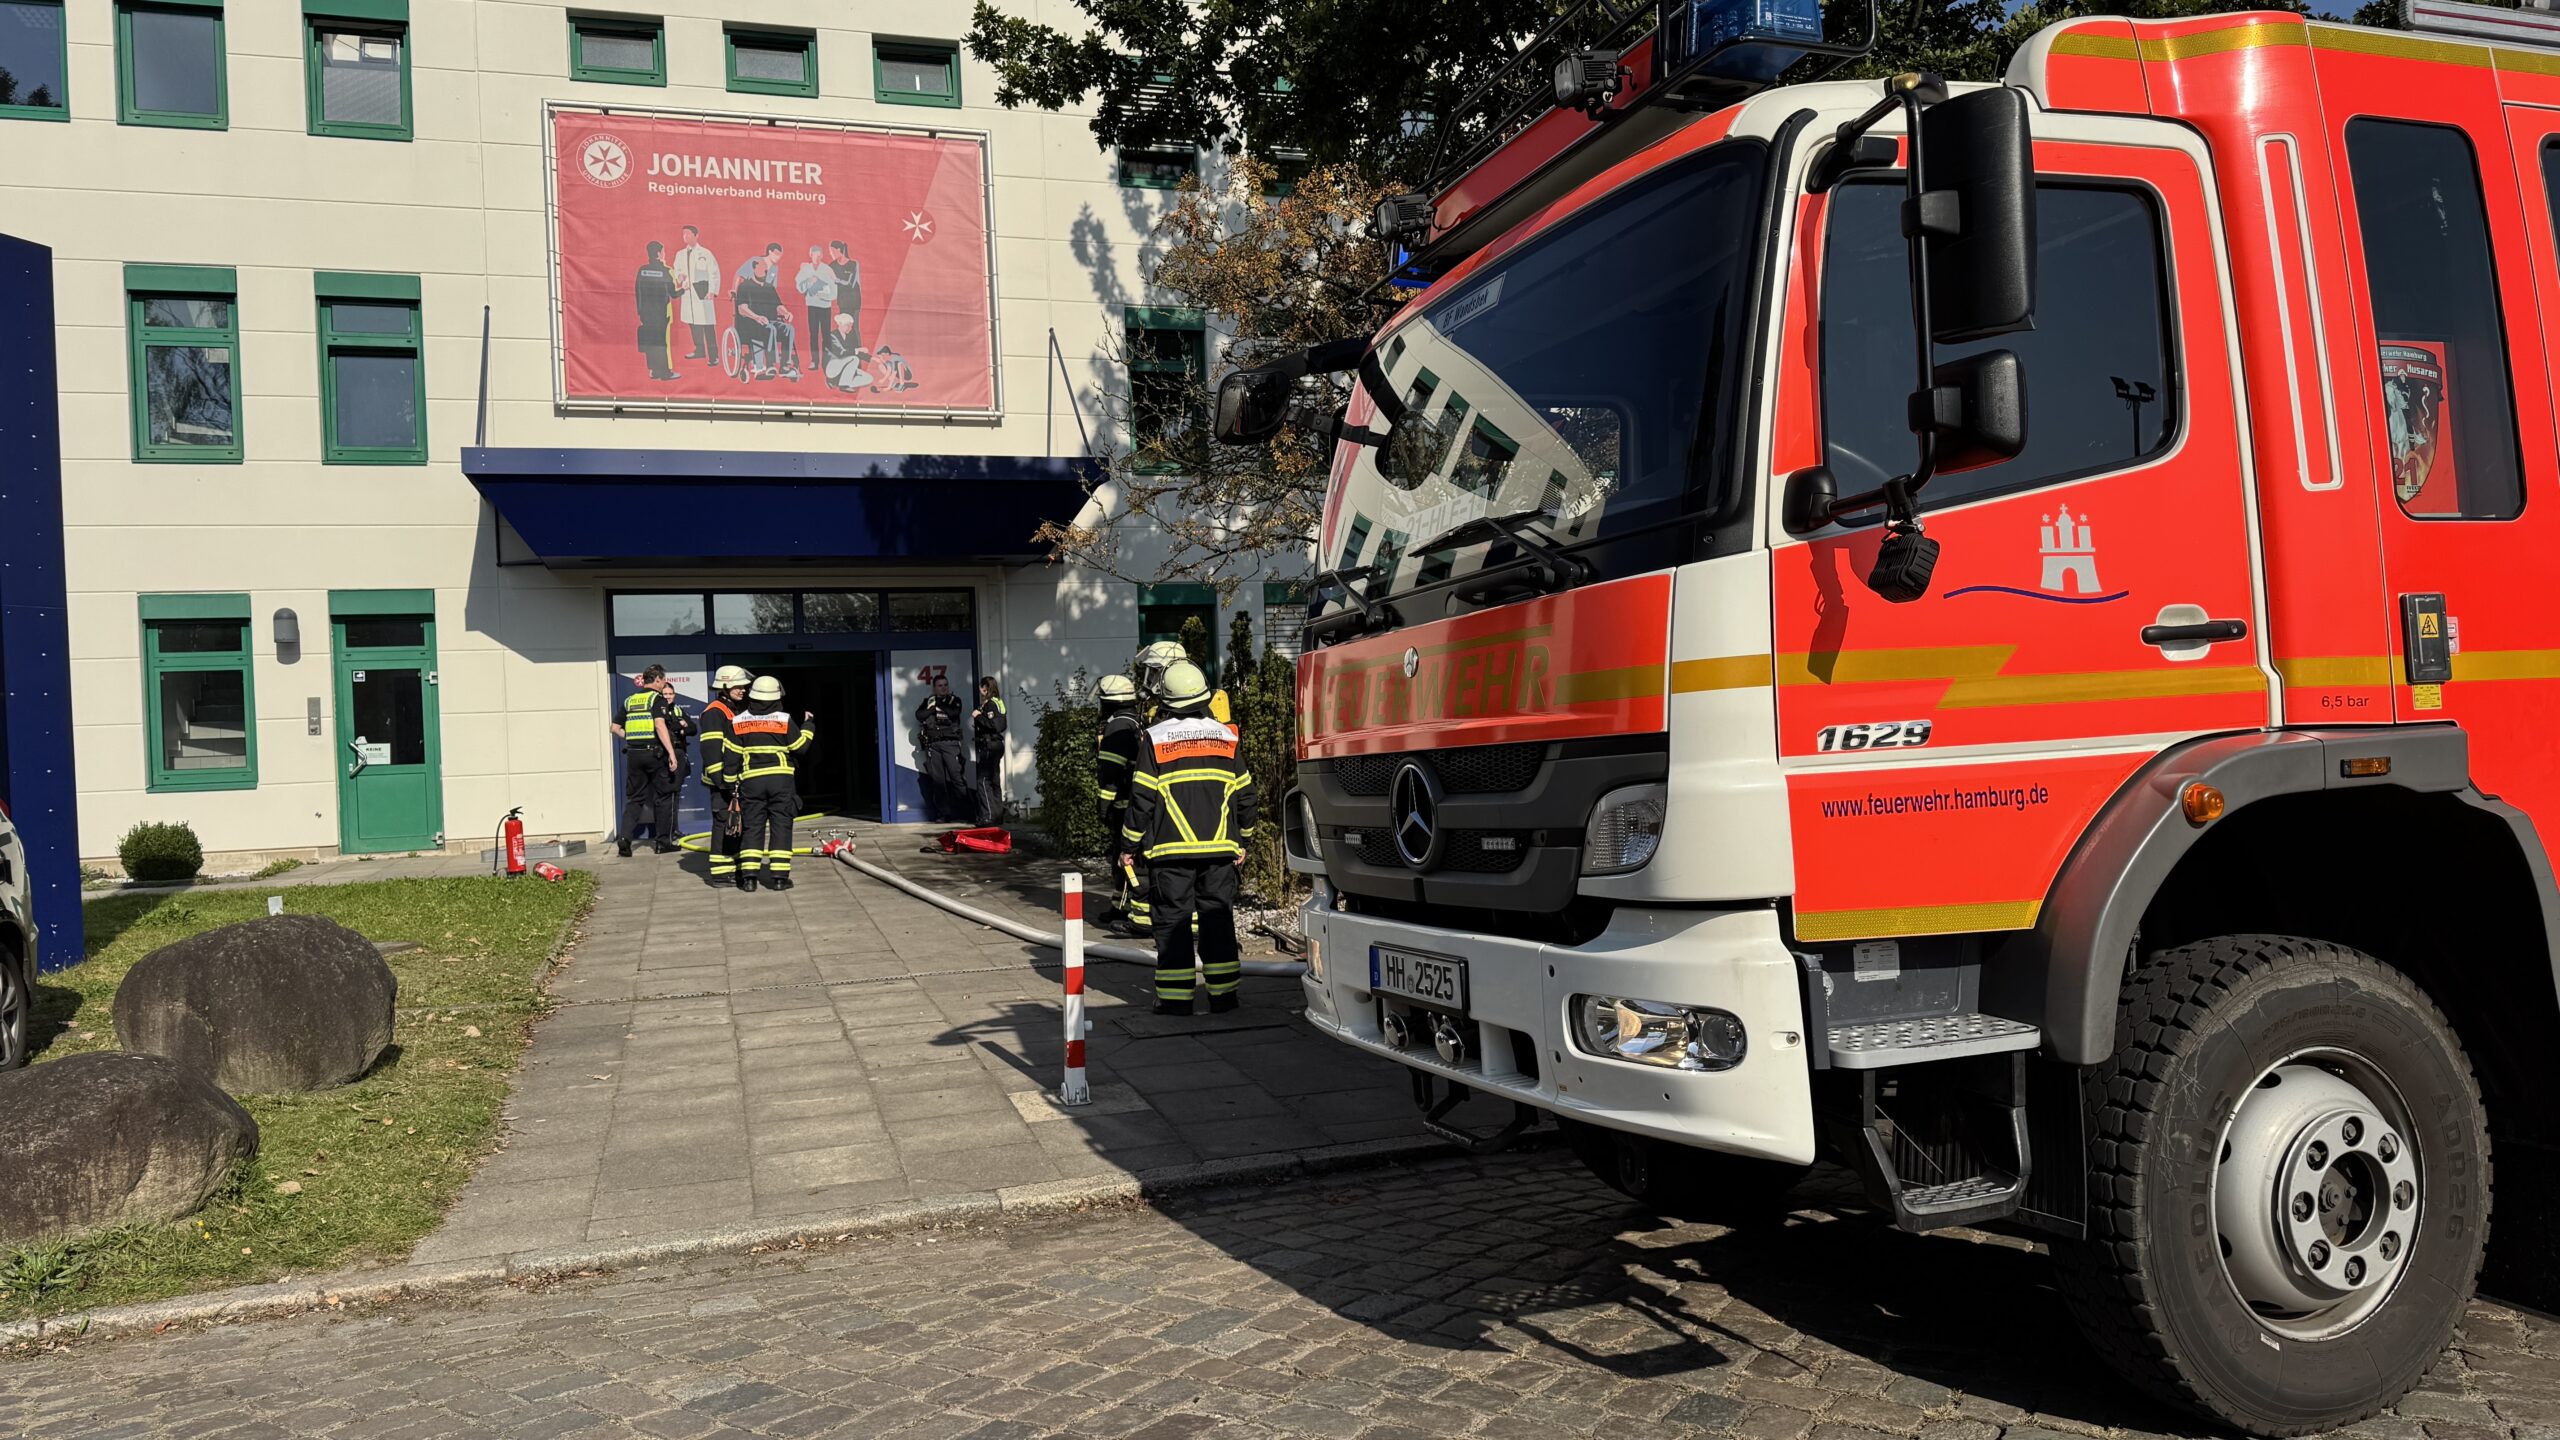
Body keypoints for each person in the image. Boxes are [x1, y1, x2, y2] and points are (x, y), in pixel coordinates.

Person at [1119, 661, 1254, 1014]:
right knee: (1218, 919)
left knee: (1174, 922)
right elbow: (1246, 795)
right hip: (1221, 851)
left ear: (1166, 700)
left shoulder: (1156, 738)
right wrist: (1245, 841)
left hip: (1170, 852)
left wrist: (1128, 846)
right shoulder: (1227, 736)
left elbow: (1142, 799)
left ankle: (1176, 1002)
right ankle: (1224, 997)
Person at [726, 675, 814, 891]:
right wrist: (809, 725)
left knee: (752, 827)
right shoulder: (783, 720)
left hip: (751, 782)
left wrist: (729, 785)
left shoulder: (737, 722)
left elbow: (731, 757)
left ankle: (749, 879)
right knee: (781, 825)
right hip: (781, 781)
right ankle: (779, 878)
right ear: (777, 698)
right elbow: (800, 747)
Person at [1092, 673, 1150, 937]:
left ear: (1110, 702)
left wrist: (1103, 805)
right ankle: (1120, 905)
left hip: (1123, 805)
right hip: (1133, 802)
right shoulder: (1132, 722)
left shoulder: (1117, 727)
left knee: (1126, 856)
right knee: (1124, 856)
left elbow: (1110, 774)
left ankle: (1135, 912)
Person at [611, 665, 679, 858]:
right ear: (657, 680)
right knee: (663, 797)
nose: (664, 683)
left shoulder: (630, 700)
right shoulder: (656, 699)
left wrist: (632, 737)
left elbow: (615, 728)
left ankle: (624, 839)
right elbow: (660, 725)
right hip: (654, 754)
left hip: (634, 754)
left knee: (635, 798)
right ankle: (663, 842)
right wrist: (671, 753)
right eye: (663, 680)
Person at [696, 665, 753, 885]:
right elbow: (711, 749)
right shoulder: (715, 712)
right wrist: (721, 780)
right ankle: (720, 873)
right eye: (738, 687)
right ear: (725, 686)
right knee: (723, 821)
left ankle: (733, 866)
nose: (743, 691)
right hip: (721, 780)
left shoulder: (732, 709)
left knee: (734, 824)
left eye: (744, 687)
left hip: (733, 778)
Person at [1137, 639, 1234, 725]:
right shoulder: (1183, 702)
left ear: (1168, 672)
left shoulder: (1187, 708)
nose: (1150, 677)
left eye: (1154, 671)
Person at [915, 673, 968, 822]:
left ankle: (964, 813)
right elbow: (919, 715)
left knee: (957, 778)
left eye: (945, 685)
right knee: (938, 781)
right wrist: (932, 708)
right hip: (933, 745)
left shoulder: (954, 700)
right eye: (940, 685)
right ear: (934, 688)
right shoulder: (928, 701)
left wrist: (938, 705)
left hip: (950, 744)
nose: (943, 688)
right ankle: (944, 813)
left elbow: (954, 712)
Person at [731, 256, 786, 381]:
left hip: (767, 321)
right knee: (768, 328)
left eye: (766, 269)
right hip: (750, 323)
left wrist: (786, 312)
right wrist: (757, 317)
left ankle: (785, 365)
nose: (765, 271)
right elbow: (742, 309)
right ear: (754, 268)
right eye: (762, 268)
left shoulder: (769, 287)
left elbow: (778, 305)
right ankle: (766, 365)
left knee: (788, 329)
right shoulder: (745, 286)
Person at [672, 225, 720, 366]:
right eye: (684, 234)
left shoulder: (705, 253)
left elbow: (714, 273)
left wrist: (712, 291)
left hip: (703, 293)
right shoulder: (680, 254)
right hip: (688, 294)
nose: (685, 237)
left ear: (696, 235)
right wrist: (679, 277)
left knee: (707, 326)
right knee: (693, 323)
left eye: (688, 234)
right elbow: (677, 270)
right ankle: (699, 350)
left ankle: (713, 356)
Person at [634, 242, 678, 381]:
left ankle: (654, 371)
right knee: (661, 342)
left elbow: (638, 292)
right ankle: (665, 373)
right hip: (660, 313)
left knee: (650, 341)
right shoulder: (665, 271)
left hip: (646, 313)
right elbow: (674, 294)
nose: (665, 254)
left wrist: (640, 311)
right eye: (663, 251)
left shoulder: (642, 270)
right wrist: (685, 287)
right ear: (658, 254)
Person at [970, 675, 1008, 826]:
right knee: (994, 780)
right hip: (996, 744)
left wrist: (978, 716)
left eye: (981, 687)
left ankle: (988, 816)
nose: (980, 691)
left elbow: (995, 725)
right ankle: (997, 815)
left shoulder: (991, 704)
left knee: (983, 781)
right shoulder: (999, 702)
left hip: (989, 745)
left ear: (985, 688)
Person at [794, 243, 838, 373]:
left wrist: (823, 294)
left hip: (825, 306)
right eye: (815, 256)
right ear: (810, 255)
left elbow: (834, 289)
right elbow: (799, 287)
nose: (817, 258)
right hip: (812, 306)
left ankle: (827, 362)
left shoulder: (827, 269)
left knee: (826, 335)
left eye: (820, 256)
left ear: (822, 256)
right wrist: (809, 282)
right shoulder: (806, 269)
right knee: (813, 334)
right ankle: (814, 361)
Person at [822, 312, 871, 392]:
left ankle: (837, 382)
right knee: (854, 359)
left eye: (850, 326)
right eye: (847, 325)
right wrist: (858, 349)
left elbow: (853, 350)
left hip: (844, 367)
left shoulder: (848, 337)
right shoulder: (831, 336)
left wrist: (871, 359)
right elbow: (842, 353)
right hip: (832, 367)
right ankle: (843, 385)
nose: (850, 328)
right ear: (840, 324)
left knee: (868, 378)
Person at [828, 241, 861, 348]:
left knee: (853, 327)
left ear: (839, 250)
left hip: (853, 301)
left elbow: (850, 284)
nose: (831, 254)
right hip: (842, 301)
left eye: (832, 251)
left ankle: (858, 355)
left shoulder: (853, 264)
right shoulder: (832, 265)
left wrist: (835, 279)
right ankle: (848, 354)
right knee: (844, 328)